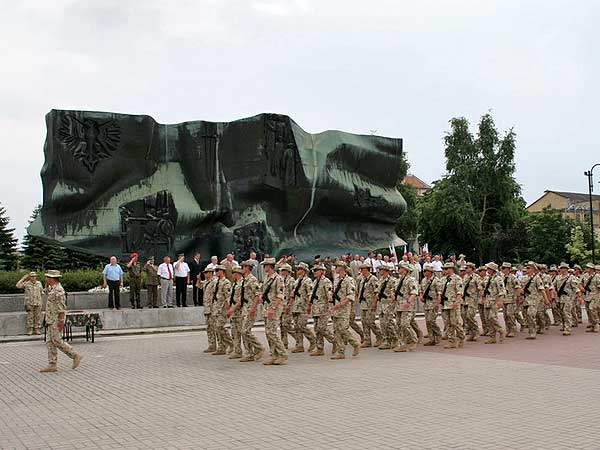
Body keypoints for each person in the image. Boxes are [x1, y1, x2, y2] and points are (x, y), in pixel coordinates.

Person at [39, 270, 81, 373]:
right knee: (50, 342)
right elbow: (45, 291)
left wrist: (61, 321)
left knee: (57, 340)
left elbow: (62, 308)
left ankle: (74, 355)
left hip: (56, 320)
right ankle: (52, 365)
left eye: (47, 277)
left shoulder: (58, 290)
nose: (46, 279)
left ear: (52, 279)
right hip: (50, 319)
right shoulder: (52, 288)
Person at [258, 258, 287, 365]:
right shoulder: (267, 277)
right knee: (268, 332)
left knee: (272, 332)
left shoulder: (278, 279)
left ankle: (282, 354)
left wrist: (273, 309)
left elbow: (280, 295)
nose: (264, 267)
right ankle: (274, 355)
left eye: (265, 265)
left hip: (274, 308)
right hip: (267, 307)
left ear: (269, 266)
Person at [329, 262, 361, 360]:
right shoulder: (336, 279)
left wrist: (340, 304)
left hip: (344, 308)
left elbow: (351, 296)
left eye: (337, 266)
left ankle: (355, 344)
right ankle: (340, 351)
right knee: (336, 330)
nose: (336, 268)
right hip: (336, 308)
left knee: (343, 329)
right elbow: (333, 291)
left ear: (343, 268)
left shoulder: (349, 280)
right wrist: (330, 296)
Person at [238, 260, 265, 362]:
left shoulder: (252, 280)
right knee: (243, 331)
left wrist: (253, 308)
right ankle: (249, 353)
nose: (241, 268)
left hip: (250, 308)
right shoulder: (244, 280)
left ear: (247, 268)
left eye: (243, 267)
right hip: (245, 308)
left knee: (245, 331)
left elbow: (258, 295)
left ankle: (259, 347)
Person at [309, 264, 336, 356]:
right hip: (316, 309)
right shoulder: (315, 282)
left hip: (323, 309)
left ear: (321, 271)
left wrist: (330, 300)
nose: (314, 272)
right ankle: (320, 348)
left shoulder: (326, 281)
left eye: (316, 270)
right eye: (313, 270)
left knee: (322, 328)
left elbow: (329, 292)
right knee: (317, 329)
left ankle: (335, 342)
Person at [290, 262, 316, 353]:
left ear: (304, 271)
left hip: (303, 306)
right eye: (297, 269)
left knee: (302, 326)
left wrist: (309, 305)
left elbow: (310, 294)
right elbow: (293, 295)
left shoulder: (307, 281)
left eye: (299, 269)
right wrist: (290, 305)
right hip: (296, 307)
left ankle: (313, 340)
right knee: (296, 327)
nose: (297, 271)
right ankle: (299, 345)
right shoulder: (296, 281)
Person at [393, 262, 419, 352]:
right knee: (399, 325)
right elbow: (394, 290)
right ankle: (402, 344)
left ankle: (414, 339)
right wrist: (393, 296)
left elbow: (414, 292)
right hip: (399, 305)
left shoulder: (411, 280)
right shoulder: (398, 280)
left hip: (407, 305)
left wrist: (408, 302)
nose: (399, 269)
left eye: (400, 268)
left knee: (405, 324)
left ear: (405, 270)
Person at [439, 262, 466, 349]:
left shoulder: (457, 279)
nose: (444, 270)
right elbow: (440, 291)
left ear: (451, 269)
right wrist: (439, 299)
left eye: (446, 269)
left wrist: (457, 302)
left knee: (456, 323)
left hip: (453, 304)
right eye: (444, 269)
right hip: (445, 304)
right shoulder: (443, 279)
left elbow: (459, 291)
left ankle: (461, 338)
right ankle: (452, 341)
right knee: (448, 323)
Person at [357, 262, 383, 347]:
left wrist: (374, 303)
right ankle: (367, 340)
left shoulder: (373, 279)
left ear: (366, 269)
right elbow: (361, 290)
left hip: (370, 303)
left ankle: (379, 336)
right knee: (364, 322)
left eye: (362, 269)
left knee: (370, 322)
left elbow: (376, 292)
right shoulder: (363, 279)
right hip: (364, 303)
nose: (361, 271)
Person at [552, 263, 581, 336]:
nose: (562, 269)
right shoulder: (558, 277)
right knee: (561, 312)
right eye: (561, 268)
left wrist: (578, 297)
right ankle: (564, 326)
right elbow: (553, 286)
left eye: (563, 268)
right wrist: (554, 293)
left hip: (568, 297)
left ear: (567, 269)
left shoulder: (571, 277)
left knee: (566, 312)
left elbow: (575, 288)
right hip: (560, 298)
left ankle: (568, 328)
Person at [481, 262, 506, 344]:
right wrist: (483, 297)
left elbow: (502, 291)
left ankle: (501, 331)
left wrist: (500, 301)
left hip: (494, 301)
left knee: (493, 317)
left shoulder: (498, 278)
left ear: (492, 269)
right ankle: (492, 337)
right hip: (487, 301)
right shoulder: (487, 278)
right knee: (488, 319)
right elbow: (483, 287)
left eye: (488, 268)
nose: (487, 270)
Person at [211, 265, 234, 355]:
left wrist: (228, 309)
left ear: (222, 271)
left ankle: (231, 343)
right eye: (215, 270)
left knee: (219, 327)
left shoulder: (226, 282)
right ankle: (221, 347)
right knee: (216, 328)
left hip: (222, 308)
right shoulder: (217, 281)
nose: (216, 272)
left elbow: (228, 297)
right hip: (216, 308)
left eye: (217, 270)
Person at [375, 263, 398, 350]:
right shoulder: (380, 280)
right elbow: (377, 290)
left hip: (389, 304)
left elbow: (395, 292)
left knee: (389, 322)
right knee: (382, 323)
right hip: (382, 304)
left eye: (381, 270)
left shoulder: (393, 280)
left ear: (386, 271)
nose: (380, 271)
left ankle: (395, 339)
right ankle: (387, 340)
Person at [226, 267, 244, 359]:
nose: (231, 275)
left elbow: (240, 300)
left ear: (236, 273)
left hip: (239, 311)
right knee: (234, 332)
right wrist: (229, 308)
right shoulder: (235, 284)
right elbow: (231, 297)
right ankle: (237, 351)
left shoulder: (242, 284)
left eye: (232, 273)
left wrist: (232, 309)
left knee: (242, 331)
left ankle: (253, 350)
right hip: (234, 311)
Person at [421, 265, 441, 346]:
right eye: (424, 271)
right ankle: (431, 338)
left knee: (431, 320)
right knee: (427, 322)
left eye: (426, 271)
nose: (424, 272)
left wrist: (437, 303)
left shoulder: (436, 280)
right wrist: (421, 296)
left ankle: (438, 333)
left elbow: (439, 292)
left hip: (433, 302)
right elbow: (421, 290)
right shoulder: (423, 280)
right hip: (426, 303)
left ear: (431, 272)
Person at [279, 264, 297, 351]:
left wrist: (289, 305)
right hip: (282, 305)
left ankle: (298, 338)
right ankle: (284, 343)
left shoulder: (292, 281)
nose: (281, 272)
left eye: (283, 270)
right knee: (282, 326)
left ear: (287, 271)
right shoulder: (282, 280)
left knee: (287, 325)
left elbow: (292, 295)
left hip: (288, 305)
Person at [461, 263, 481, 341]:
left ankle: (476, 332)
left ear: (472, 268)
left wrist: (480, 296)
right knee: (464, 316)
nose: (466, 269)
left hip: (472, 299)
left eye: (467, 268)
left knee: (470, 316)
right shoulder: (465, 277)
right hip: (465, 300)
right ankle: (471, 333)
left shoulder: (476, 277)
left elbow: (480, 287)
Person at [501, 262, 521, 337]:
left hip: (511, 298)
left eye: (504, 268)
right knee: (505, 315)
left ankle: (513, 329)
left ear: (508, 269)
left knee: (510, 314)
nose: (503, 270)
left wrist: (518, 298)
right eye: (502, 268)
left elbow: (518, 287)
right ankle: (508, 329)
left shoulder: (513, 277)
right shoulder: (502, 277)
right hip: (504, 299)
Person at [201, 267, 217, 353]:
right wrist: (198, 279)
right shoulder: (206, 282)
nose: (205, 274)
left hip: (213, 307)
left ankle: (221, 345)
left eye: (206, 272)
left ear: (210, 273)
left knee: (215, 327)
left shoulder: (214, 282)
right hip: (207, 308)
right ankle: (212, 345)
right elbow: (199, 286)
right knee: (209, 328)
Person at [581, 263, 600, 332]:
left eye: (588, 267)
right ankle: (592, 324)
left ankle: (597, 324)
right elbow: (580, 283)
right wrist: (582, 288)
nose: (586, 269)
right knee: (588, 310)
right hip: (587, 295)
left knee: (592, 309)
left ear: (592, 269)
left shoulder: (597, 276)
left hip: (595, 295)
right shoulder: (584, 275)